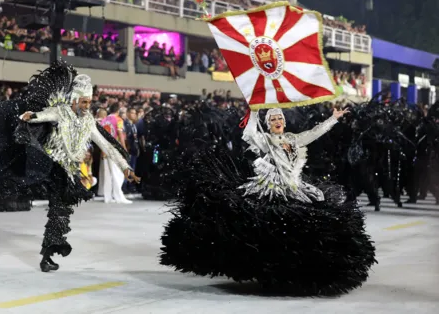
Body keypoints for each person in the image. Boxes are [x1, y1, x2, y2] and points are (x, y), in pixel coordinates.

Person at [0, 62, 140, 272]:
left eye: (89, 102)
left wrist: (126, 168)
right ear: (74, 100)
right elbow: (45, 115)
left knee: (60, 211)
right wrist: (30, 116)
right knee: (25, 179)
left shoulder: (89, 122)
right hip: (49, 160)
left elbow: (107, 144)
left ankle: (48, 255)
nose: (86, 106)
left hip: (68, 170)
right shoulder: (61, 112)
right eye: (83, 101)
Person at [160, 107, 377, 296]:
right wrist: (254, 112)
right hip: (272, 186)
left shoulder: (293, 138)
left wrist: (334, 118)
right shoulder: (265, 141)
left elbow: (314, 133)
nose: (277, 122)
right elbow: (249, 133)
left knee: (313, 209)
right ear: (268, 123)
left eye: (279, 119)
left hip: (294, 185)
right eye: (273, 120)